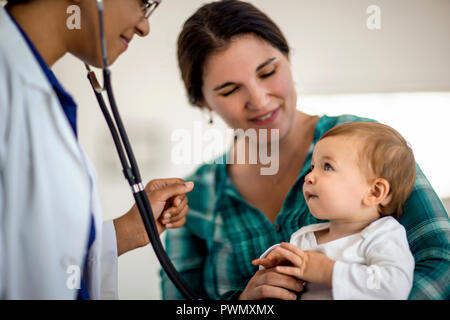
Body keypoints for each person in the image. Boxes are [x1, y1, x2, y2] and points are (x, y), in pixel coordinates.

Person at [161, 0, 450, 300]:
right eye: (230, 90)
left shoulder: (366, 144)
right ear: (204, 102)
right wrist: (241, 304)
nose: (259, 100)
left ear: (287, 57)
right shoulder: (194, 198)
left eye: (268, 71)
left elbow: (442, 259)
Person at [0, 0, 193, 299]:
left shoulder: (40, 94)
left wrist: (129, 231)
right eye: (143, 4)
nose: (144, 27)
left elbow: (35, 256)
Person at [252, 122, 416, 299]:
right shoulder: (303, 237)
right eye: (313, 167)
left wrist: (327, 271)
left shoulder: (383, 235)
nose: (308, 177)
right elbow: (276, 287)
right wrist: (278, 262)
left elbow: (394, 288)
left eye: (327, 167)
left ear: (374, 192)